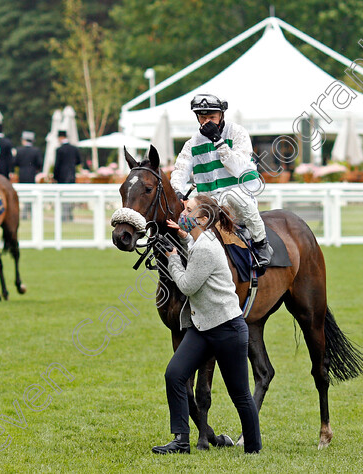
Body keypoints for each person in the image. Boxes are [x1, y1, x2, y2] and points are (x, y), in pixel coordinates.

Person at [152, 194, 262, 455]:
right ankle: (180, 440)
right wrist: (183, 236)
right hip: (202, 329)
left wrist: (172, 257)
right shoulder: (206, 238)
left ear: (202, 218)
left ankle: (254, 449)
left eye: (188, 210)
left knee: (240, 395)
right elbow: (195, 246)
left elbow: (187, 285)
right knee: (175, 375)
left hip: (227, 330)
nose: (182, 213)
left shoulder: (206, 248)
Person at [170, 93, 273, 266]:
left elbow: (237, 167)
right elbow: (180, 168)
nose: (207, 122)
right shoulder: (192, 143)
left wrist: (218, 140)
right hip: (207, 201)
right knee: (181, 215)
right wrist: (177, 189)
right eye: (203, 117)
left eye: (212, 117)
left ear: (221, 115)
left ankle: (261, 243)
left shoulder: (237, 132)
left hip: (237, 197)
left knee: (233, 195)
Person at [53, 130, 81, 221]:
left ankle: (64, 216)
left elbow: (57, 165)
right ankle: (70, 215)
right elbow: (79, 161)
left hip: (62, 176)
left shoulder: (59, 150)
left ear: (60, 138)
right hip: (71, 175)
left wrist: (55, 177)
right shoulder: (74, 148)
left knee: (63, 196)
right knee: (70, 196)